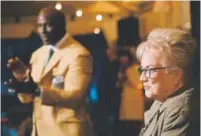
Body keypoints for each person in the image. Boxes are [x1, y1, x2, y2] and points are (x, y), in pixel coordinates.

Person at [7, 7, 93, 136]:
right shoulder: (38, 54)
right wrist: (23, 81)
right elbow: (27, 99)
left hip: (66, 132)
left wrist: (36, 90)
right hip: (40, 131)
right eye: (40, 26)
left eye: (49, 25)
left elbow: (75, 97)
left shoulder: (79, 54)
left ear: (62, 25)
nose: (42, 31)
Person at [136, 28, 196, 136]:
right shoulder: (160, 102)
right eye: (142, 70)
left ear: (176, 75)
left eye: (149, 70)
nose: (142, 78)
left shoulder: (180, 110)